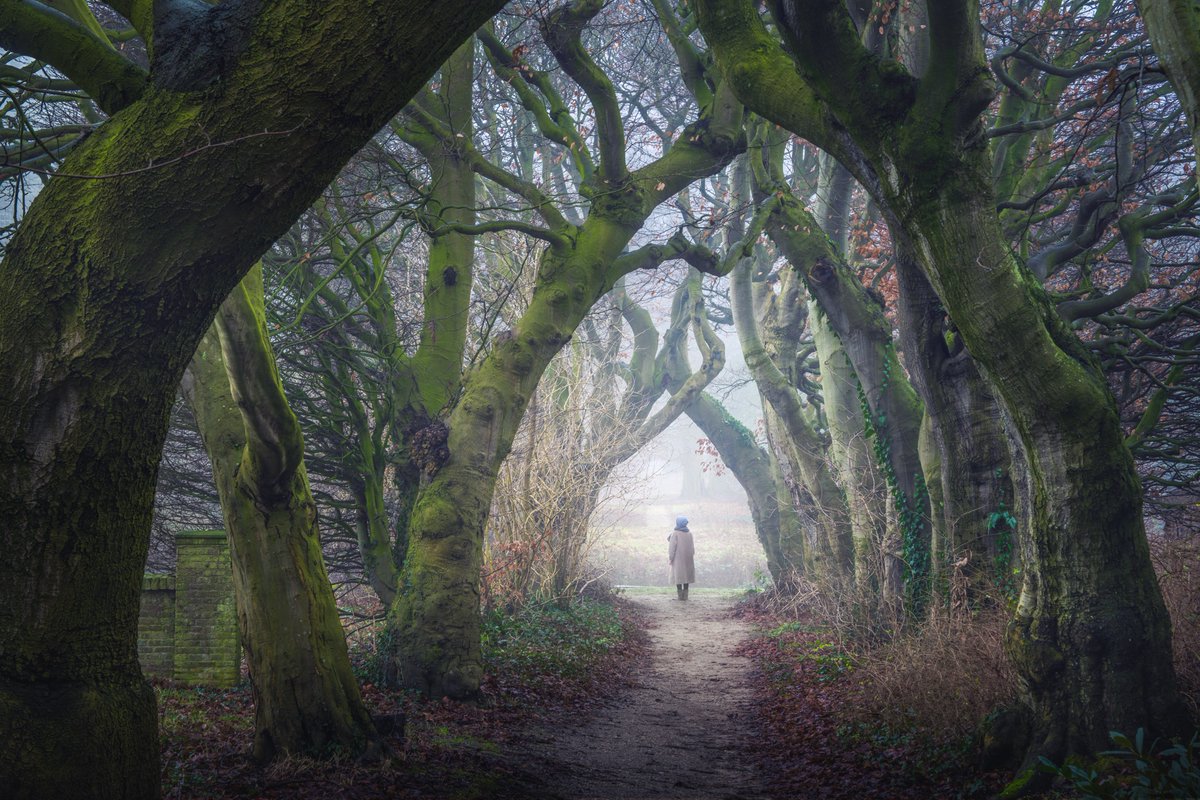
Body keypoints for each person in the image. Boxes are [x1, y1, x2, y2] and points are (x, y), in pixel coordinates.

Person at [668, 515, 695, 600]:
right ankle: (685, 596)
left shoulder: (675, 533)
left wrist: (671, 558)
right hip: (688, 558)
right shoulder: (689, 533)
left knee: (678, 576)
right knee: (686, 576)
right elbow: (692, 547)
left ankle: (680, 596)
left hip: (678, 559)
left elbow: (672, 547)